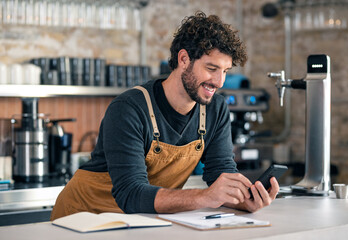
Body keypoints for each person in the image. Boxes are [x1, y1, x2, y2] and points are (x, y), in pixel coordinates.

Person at [50, 11, 279, 220]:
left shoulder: (215, 109)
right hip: (82, 219)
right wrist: (204, 197)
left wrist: (244, 201)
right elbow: (130, 194)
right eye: (211, 69)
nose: (219, 82)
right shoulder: (129, 108)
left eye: (225, 71)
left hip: (141, 222)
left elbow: (221, 173)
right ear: (183, 59)